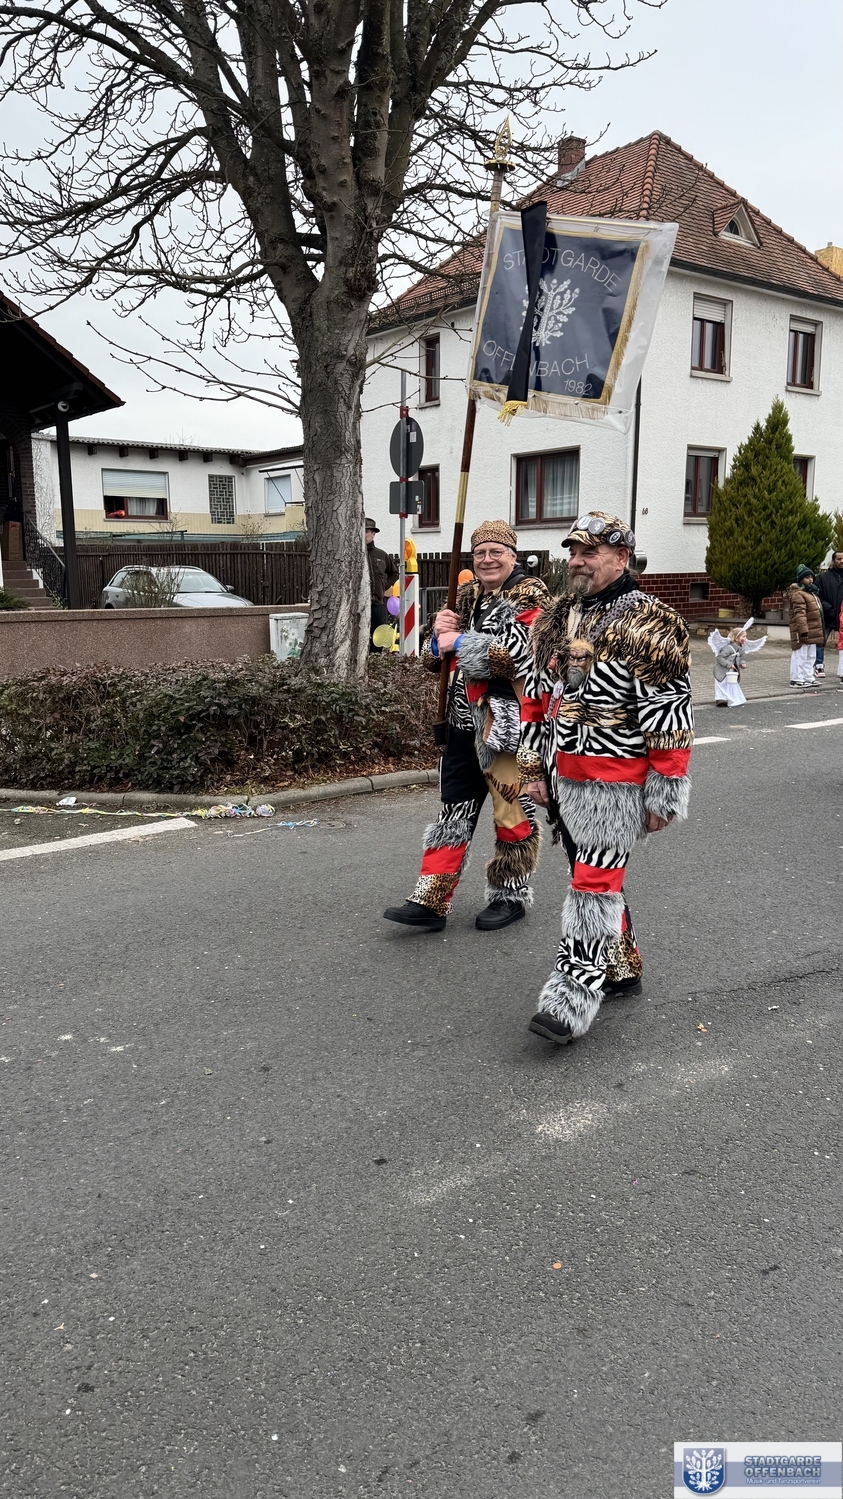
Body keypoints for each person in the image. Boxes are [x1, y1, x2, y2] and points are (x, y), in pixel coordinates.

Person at [517, 510, 693, 1045]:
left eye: (589, 553)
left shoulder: (650, 622)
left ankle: (571, 996)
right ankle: (622, 965)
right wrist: (534, 768)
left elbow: (669, 712)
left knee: (592, 884)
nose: (576, 561)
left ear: (621, 557)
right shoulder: (559, 617)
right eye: (573, 552)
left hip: (615, 783)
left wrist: (665, 790)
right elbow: (539, 699)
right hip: (563, 777)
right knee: (589, 872)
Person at [383, 520, 550, 933]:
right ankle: (432, 898)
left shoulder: (530, 595)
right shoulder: (466, 595)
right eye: (480, 553)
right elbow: (432, 658)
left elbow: (517, 657)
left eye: (496, 552)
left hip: (505, 725)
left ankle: (510, 894)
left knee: (511, 809)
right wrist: (436, 637)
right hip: (462, 722)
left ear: (512, 555)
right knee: (453, 809)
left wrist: (457, 642)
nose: (487, 559)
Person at [708, 623, 766, 707]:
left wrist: (742, 663)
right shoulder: (728, 648)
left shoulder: (741, 649)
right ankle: (720, 699)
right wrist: (728, 664)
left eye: (745, 637)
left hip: (732, 670)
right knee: (721, 683)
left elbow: (742, 658)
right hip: (722, 670)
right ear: (736, 638)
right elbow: (720, 658)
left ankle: (730, 697)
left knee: (731, 684)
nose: (745, 639)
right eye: (743, 637)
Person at [786, 566, 824, 688]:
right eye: (807, 577)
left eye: (811, 577)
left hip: (813, 629)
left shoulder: (811, 593)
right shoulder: (798, 594)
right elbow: (800, 613)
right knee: (800, 654)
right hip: (802, 630)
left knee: (811, 655)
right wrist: (803, 630)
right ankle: (796, 678)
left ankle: (808, 677)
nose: (810, 579)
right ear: (801, 579)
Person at [366, 519, 398, 651]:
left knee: (377, 639)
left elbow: (394, 573)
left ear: (373, 534)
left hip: (377, 604)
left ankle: (375, 661)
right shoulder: (354, 555)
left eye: (367, 531)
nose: (364, 534)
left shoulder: (381, 555)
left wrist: (384, 585)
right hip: (360, 606)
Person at [815, 550, 843, 677]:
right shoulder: (823, 578)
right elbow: (817, 596)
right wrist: (829, 609)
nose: (841, 561)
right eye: (839, 559)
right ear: (833, 560)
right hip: (828, 615)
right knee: (820, 640)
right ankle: (818, 666)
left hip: (842, 616)